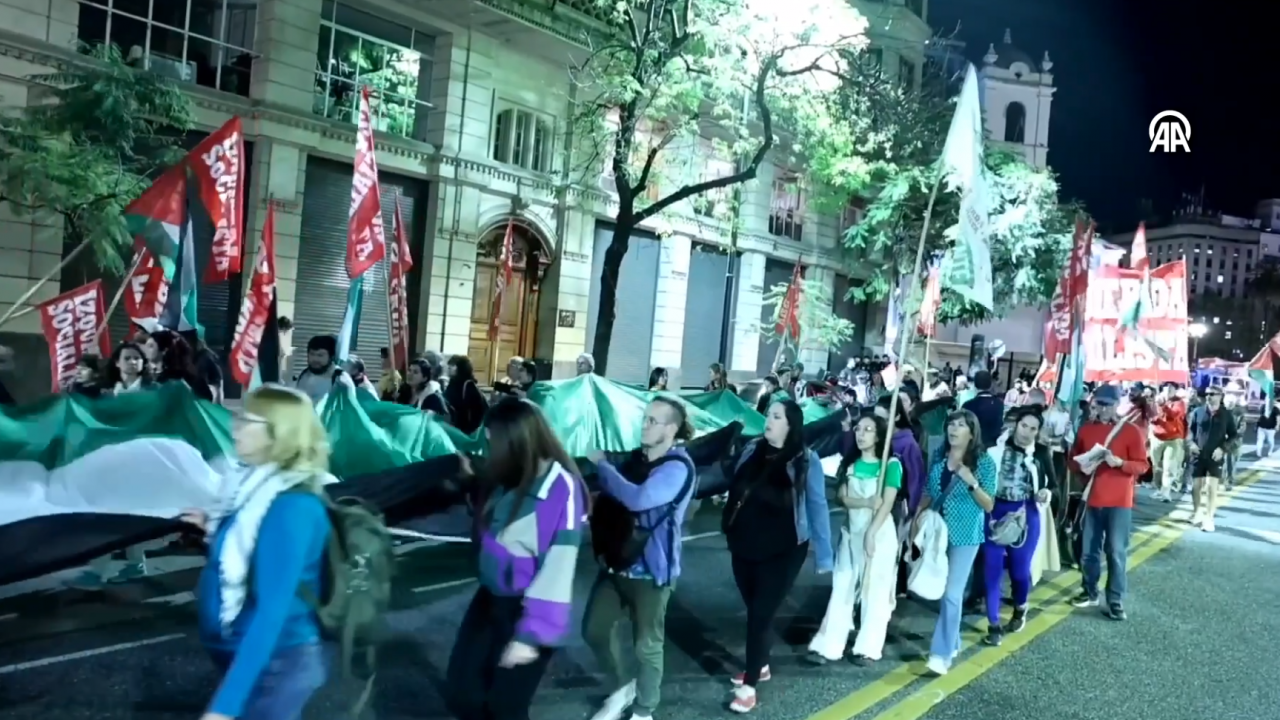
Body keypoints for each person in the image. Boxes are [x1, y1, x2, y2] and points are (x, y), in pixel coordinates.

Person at [185, 385, 335, 720]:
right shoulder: (255, 487)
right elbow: (250, 551)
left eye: (245, 420)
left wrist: (224, 708)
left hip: (278, 663)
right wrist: (213, 529)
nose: (234, 427)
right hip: (244, 652)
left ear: (278, 433)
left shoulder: (292, 507)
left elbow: (271, 613)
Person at [445, 399, 589, 720]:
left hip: (526, 607)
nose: (489, 448)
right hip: (490, 599)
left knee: (505, 707)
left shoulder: (560, 488)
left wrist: (530, 636)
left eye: (493, 440)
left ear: (516, 440)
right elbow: (493, 522)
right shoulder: (506, 476)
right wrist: (469, 482)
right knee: (463, 693)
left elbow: (558, 569)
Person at [584, 398, 696, 720]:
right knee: (594, 631)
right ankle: (623, 687)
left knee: (647, 646)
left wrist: (602, 465)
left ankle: (644, 711)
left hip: (652, 573)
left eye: (652, 421)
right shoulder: (636, 460)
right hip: (617, 563)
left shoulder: (677, 468)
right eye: (644, 419)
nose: (644, 426)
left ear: (671, 429)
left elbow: (638, 498)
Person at [721, 399, 832, 713]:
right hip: (744, 543)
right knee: (756, 608)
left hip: (783, 550)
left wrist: (824, 554)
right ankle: (761, 663)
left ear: (790, 424)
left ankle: (750, 685)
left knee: (760, 614)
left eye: (776, 416)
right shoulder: (751, 449)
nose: (768, 420)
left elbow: (817, 505)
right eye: (768, 414)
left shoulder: (805, 460)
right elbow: (731, 482)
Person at [807, 413, 900, 666]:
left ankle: (868, 648)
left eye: (868, 430)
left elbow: (887, 503)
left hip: (880, 535)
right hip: (851, 533)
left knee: (875, 591)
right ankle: (828, 645)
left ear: (879, 436)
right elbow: (842, 498)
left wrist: (871, 533)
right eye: (858, 429)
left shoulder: (891, 465)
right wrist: (865, 502)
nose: (861, 434)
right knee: (842, 586)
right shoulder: (849, 464)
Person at [912, 410, 997, 676]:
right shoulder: (939, 457)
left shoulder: (984, 463)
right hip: (938, 534)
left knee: (951, 593)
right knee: (943, 590)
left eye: (961, 425)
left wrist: (971, 482)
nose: (953, 429)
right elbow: (928, 492)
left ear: (972, 433)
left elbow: (989, 504)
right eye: (951, 423)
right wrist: (915, 521)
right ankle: (954, 640)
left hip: (965, 536)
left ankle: (941, 654)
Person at [1068, 384, 1149, 619]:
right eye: (1099, 405)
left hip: (1119, 501)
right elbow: (1073, 460)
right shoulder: (1086, 429)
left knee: (1116, 552)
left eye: (1107, 405)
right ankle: (1089, 590)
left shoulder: (1131, 431)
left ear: (1116, 405)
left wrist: (1120, 464)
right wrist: (1081, 466)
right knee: (1088, 551)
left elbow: (1143, 466)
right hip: (1092, 498)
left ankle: (1115, 599)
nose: (1102, 410)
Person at [981, 408, 1055, 646]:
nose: (1027, 432)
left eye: (1033, 429)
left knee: (1020, 571)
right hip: (994, 511)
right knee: (991, 571)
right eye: (1024, 426)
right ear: (1016, 425)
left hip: (1026, 513)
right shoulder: (994, 447)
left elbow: (1054, 485)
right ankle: (993, 625)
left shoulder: (1041, 452)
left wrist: (1045, 493)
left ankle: (1020, 607)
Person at [1186, 386, 1238, 534]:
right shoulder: (1198, 412)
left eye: (1212, 394)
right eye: (1207, 393)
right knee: (1196, 487)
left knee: (1210, 487)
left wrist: (1223, 449)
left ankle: (1209, 518)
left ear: (1220, 396)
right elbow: (1189, 431)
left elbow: (1233, 435)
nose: (1209, 396)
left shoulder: (1226, 415)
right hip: (1198, 454)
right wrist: (1191, 444)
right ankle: (1196, 512)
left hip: (1215, 456)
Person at [1149, 385, 1188, 502]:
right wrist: (1154, 417)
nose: (1168, 391)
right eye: (1166, 388)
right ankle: (1159, 488)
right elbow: (1150, 416)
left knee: (1169, 467)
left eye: (1171, 389)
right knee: (1156, 466)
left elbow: (1174, 415)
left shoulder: (1179, 403)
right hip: (1157, 437)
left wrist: (1163, 406)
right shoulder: (1155, 401)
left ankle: (1166, 492)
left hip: (1173, 438)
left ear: (1175, 391)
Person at [444, 355, 489, 434]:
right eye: (449, 365)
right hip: (453, 428)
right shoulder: (452, 384)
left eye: (453, 365)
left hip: (465, 431)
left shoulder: (468, 386)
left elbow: (477, 412)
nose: (449, 367)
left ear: (461, 368)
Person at [293, 335, 344, 404]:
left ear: (331, 357)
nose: (315, 359)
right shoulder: (304, 374)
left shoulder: (340, 379)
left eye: (320, 355)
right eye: (312, 354)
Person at [962, 371, 1003, 449]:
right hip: (993, 446)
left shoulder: (968, 405)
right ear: (991, 384)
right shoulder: (999, 404)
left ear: (975, 385)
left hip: (973, 446)